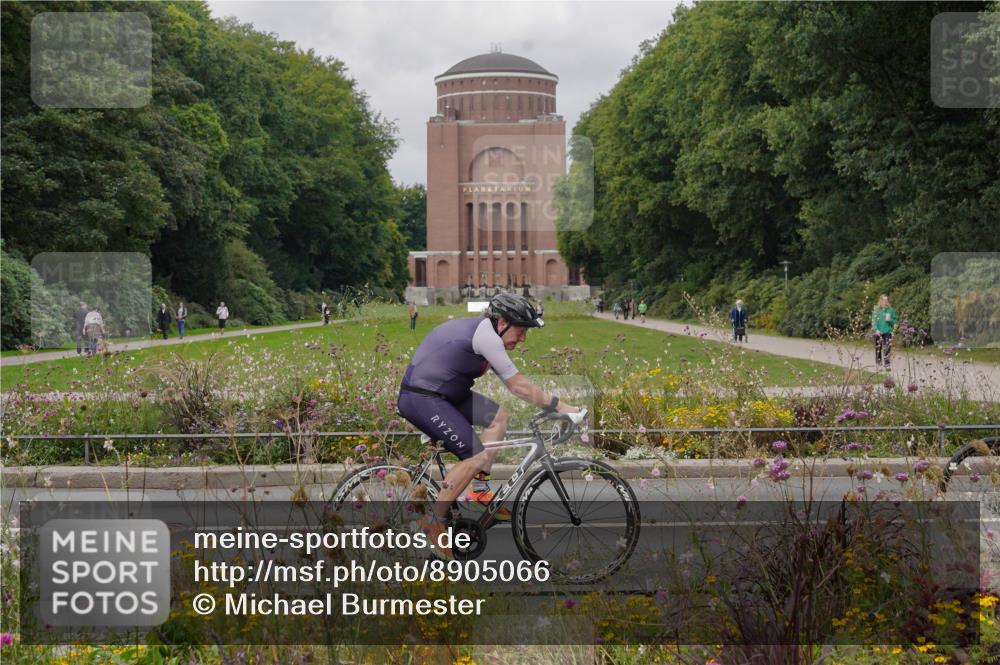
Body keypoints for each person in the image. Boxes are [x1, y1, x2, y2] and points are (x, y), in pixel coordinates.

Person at [397, 293, 584, 561]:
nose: (523, 338)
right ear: (503, 322)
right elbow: (519, 387)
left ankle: (480, 491)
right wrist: (563, 408)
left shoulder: (488, 334)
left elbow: (517, 385)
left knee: (499, 417)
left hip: (445, 393)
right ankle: (433, 521)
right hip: (422, 397)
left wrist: (552, 407)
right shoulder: (487, 337)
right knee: (476, 455)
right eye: (521, 330)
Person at [872, 294, 897, 369]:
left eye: (886, 300)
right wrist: (876, 330)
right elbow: (873, 322)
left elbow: (895, 322)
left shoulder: (890, 310)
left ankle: (887, 364)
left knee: (887, 347)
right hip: (878, 332)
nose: (885, 301)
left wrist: (890, 320)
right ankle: (878, 363)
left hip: (887, 332)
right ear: (880, 300)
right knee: (878, 348)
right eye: (883, 300)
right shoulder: (877, 310)